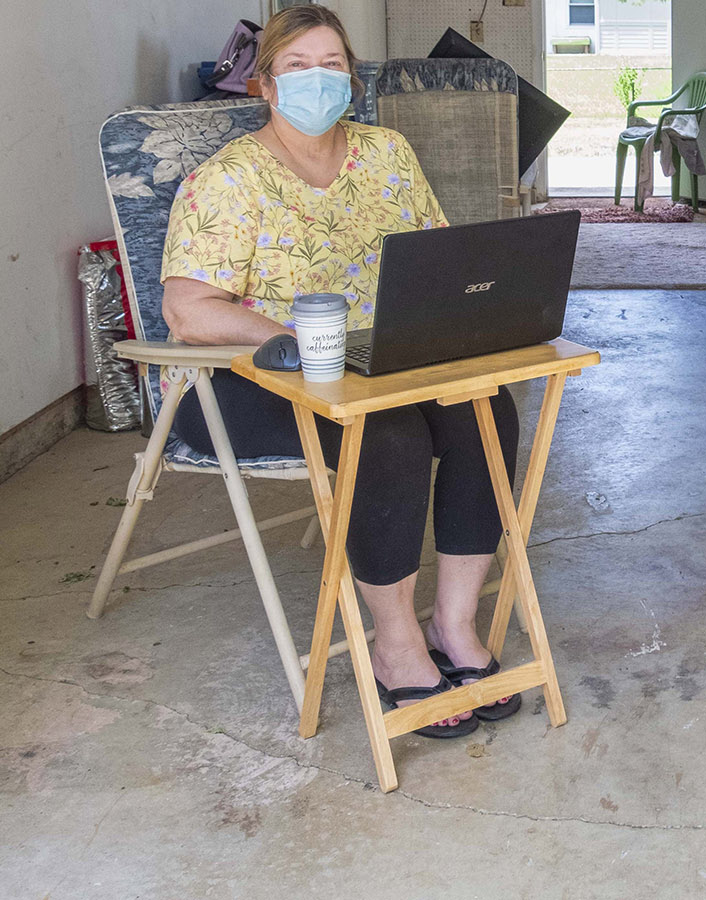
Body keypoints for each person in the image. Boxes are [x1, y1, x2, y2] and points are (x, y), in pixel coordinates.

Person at [160, 5, 519, 737]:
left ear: (351, 79)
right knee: (388, 436)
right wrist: (292, 337)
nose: (316, 79)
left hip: (381, 362)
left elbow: (440, 261)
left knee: (486, 407)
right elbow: (189, 311)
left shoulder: (386, 153)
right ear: (264, 86)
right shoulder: (228, 180)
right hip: (248, 380)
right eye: (296, 66)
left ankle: (453, 624)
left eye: (331, 64)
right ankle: (393, 645)